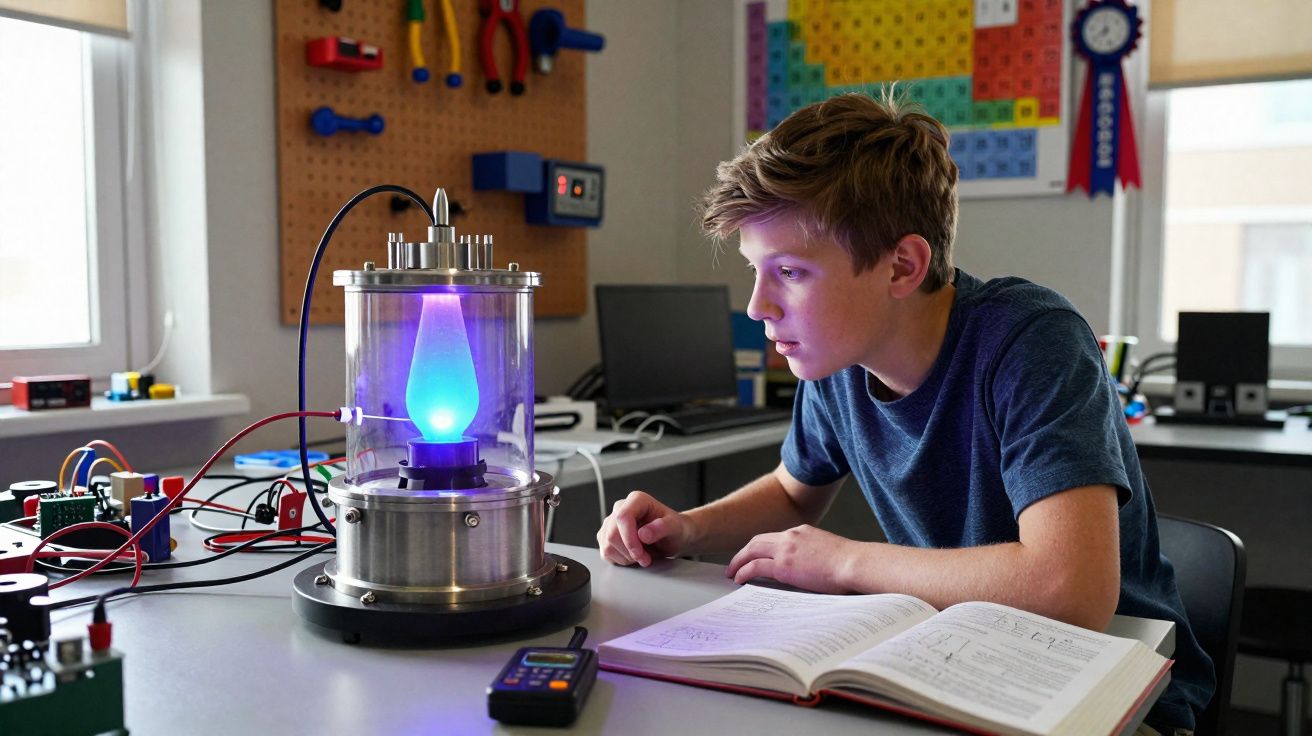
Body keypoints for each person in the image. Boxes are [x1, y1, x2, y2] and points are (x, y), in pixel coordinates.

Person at [595, 91, 1209, 735]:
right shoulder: (839, 360)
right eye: (756, 270)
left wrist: (843, 563)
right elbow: (790, 493)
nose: (757, 307)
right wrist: (687, 528)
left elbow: (1070, 589)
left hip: (1115, 689)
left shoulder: (1030, 341)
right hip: (961, 661)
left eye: (791, 272)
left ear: (902, 266)